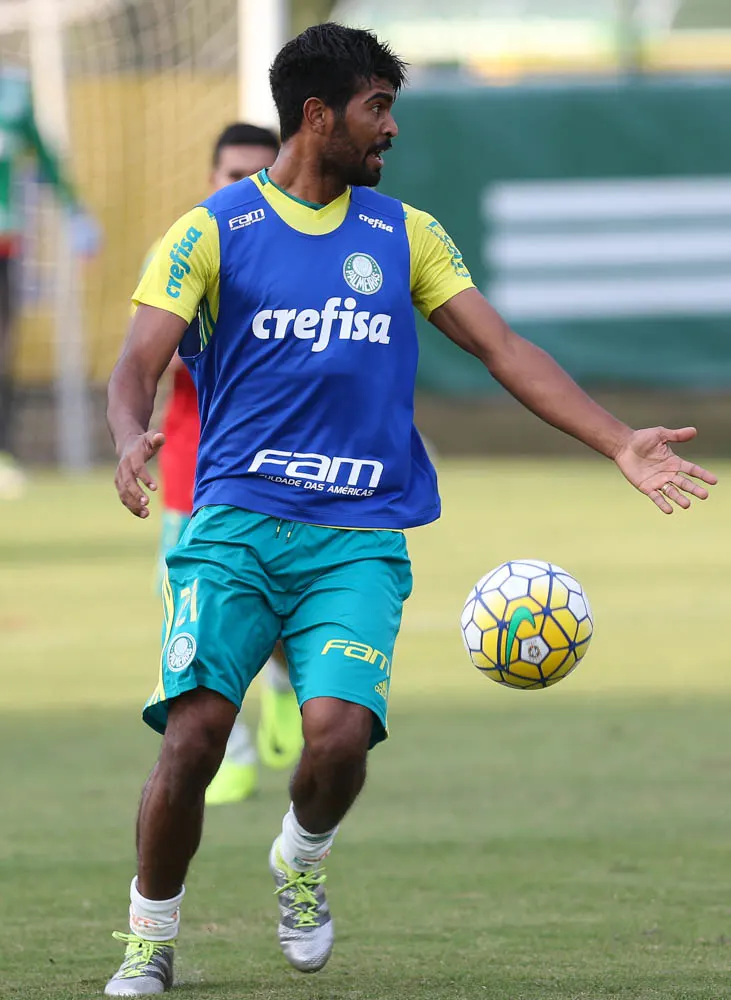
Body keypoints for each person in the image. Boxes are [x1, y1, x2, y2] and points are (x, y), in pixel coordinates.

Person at [105, 22, 717, 996]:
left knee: (339, 736)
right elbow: (137, 361)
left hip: (356, 538)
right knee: (193, 734)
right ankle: (149, 935)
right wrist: (130, 431)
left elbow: (503, 349)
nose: (389, 129)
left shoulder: (405, 234)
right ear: (318, 115)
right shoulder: (213, 228)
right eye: (375, 108)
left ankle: (300, 858)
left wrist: (615, 440)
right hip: (233, 524)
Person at [149, 122, 303, 806]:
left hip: (273, 470)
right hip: (192, 467)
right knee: (188, 613)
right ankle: (233, 757)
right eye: (230, 173)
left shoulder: (299, 257)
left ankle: (279, 680)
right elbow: (145, 356)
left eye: (257, 172)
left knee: (268, 609)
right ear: (210, 178)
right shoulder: (185, 249)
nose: (244, 185)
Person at [0, 66, 98, 498]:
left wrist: (75, 212)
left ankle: (2, 453)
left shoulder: (14, 94)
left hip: (4, 244)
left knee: (4, 352)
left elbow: (42, 156)